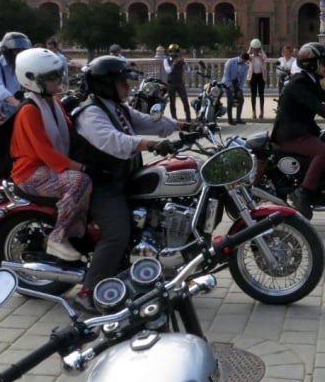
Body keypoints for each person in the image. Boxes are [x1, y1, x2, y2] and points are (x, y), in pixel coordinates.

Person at [71, 55, 180, 312]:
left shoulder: (117, 107)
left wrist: (186, 125)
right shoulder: (91, 113)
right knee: (117, 234)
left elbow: (148, 121)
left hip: (122, 176)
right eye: (122, 82)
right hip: (102, 182)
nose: (127, 87)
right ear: (106, 84)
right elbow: (113, 141)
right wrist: (150, 144)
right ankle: (87, 292)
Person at [11, 48, 92, 262]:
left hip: (47, 167)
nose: (57, 80)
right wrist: (81, 167)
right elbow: (45, 152)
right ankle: (58, 238)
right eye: (50, 77)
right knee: (79, 181)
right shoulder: (29, 110)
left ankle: (82, 235)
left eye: (57, 74)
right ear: (32, 80)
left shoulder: (53, 103)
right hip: (30, 173)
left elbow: (71, 133)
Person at [272, 42, 325, 219]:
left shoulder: (310, 80)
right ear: (312, 63)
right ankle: (303, 192)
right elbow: (318, 107)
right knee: (324, 152)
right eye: (323, 63)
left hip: (302, 130)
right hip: (291, 133)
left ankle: (322, 184)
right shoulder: (299, 83)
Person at [0, 31, 31, 126]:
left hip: (18, 109)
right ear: (7, 52)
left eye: (23, 51)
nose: (20, 54)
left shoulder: (22, 67)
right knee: (3, 129)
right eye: (17, 51)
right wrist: (17, 103)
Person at [163, 43, 191, 122]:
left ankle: (188, 119)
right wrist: (174, 63)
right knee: (172, 102)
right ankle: (174, 119)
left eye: (176, 51)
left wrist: (185, 64)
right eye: (173, 51)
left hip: (180, 83)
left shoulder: (181, 60)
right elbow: (168, 70)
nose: (174, 54)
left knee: (185, 100)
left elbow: (188, 71)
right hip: (171, 83)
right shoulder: (166, 60)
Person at [222, 52, 249, 125]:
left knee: (241, 100)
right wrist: (230, 85)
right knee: (230, 100)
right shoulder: (230, 61)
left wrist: (240, 89)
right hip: (227, 82)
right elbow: (226, 74)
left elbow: (243, 78)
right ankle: (230, 120)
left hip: (237, 83)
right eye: (242, 60)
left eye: (244, 61)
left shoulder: (246, 66)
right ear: (239, 57)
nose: (243, 62)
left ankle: (238, 118)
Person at [246, 38, 268, 119]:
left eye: (256, 49)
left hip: (260, 77)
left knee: (261, 95)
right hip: (253, 77)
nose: (255, 51)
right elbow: (245, 56)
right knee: (253, 95)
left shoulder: (261, 56)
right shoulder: (250, 57)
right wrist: (250, 49)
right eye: (254, 49)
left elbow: (265, 58)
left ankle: (262, 112)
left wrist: (260, 51)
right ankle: (254, 112)